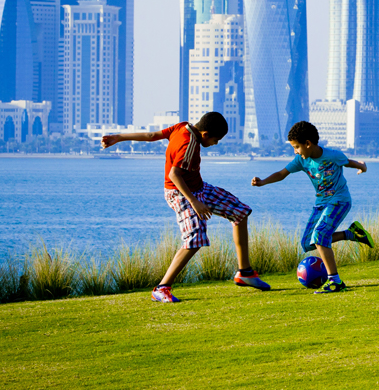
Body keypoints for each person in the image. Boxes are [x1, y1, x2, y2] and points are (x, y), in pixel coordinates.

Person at [101, 112, 270, 302]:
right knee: (195, 238)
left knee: (240, 212)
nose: (216, 143)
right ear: (205, 134)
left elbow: (152, 136)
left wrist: (119, 137)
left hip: (199, 187)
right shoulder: (189, 143)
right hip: (180, 193)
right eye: (216, 140)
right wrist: (194, 202)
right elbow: (174, 175)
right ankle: (161, 288)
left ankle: (245, 272)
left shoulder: (182, 126)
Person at [251, 121, 374, 293]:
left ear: (308, 144)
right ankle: (351, 233)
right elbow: (281, 174)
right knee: (308, 244)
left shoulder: (332, 155)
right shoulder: (301, 160)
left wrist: (362, 167)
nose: (295, 151)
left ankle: (335, 281)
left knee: (320, 235)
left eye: (296, 147)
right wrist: (263, 182)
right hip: (321, 204)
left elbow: (350, 162)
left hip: (340, 201)